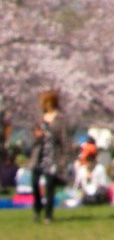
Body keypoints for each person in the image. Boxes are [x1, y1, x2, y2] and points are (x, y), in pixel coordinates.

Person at [31, 89, 69, 224]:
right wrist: (36, 136)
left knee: (49, 186)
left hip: (53, 155)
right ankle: (37, 207)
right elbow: (33, 136)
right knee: (35, 182)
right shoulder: (39, 118)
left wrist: (63, 160)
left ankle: (48, 214)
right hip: (39, 154)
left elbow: (64, 140)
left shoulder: (60, 119)